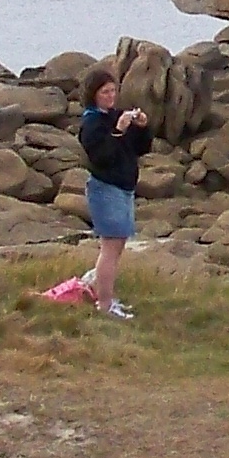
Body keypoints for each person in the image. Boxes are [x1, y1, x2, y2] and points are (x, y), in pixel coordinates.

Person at [62, 68, 150, 321]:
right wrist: (118, 131)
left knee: (118, 245)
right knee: (110, 249)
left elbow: (139, 148)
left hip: (124, 188)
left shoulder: (115, 116)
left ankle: (102, 294)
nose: (111, 97)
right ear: (93, 95)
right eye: (105, 92)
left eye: (113, 91)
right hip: (105, 190)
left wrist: (142, 127)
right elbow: (102, 157)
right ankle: (105, 304)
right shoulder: (91, 124)